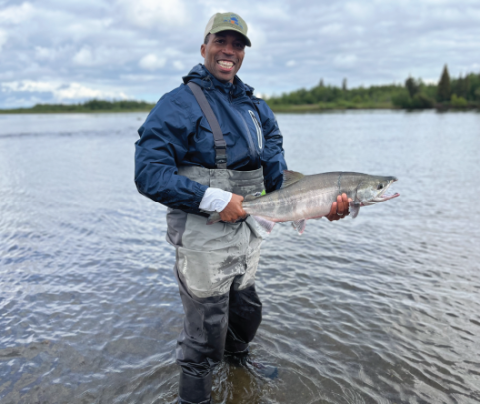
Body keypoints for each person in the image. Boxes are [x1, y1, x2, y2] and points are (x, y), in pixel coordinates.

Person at [134, 11, 350, 404]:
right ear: (204, 48)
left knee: (246, 311)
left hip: (249, 235)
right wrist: (215, 199)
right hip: (202, 237)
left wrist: (320, 205)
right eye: (221, 42)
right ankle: (193, 397)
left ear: (243, 53)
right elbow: (148, 173)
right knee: (203, 337)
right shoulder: (177, 104)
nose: (228, 51)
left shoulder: (258, 109)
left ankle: (238, 367)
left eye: (237, 45)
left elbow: (277, 178)